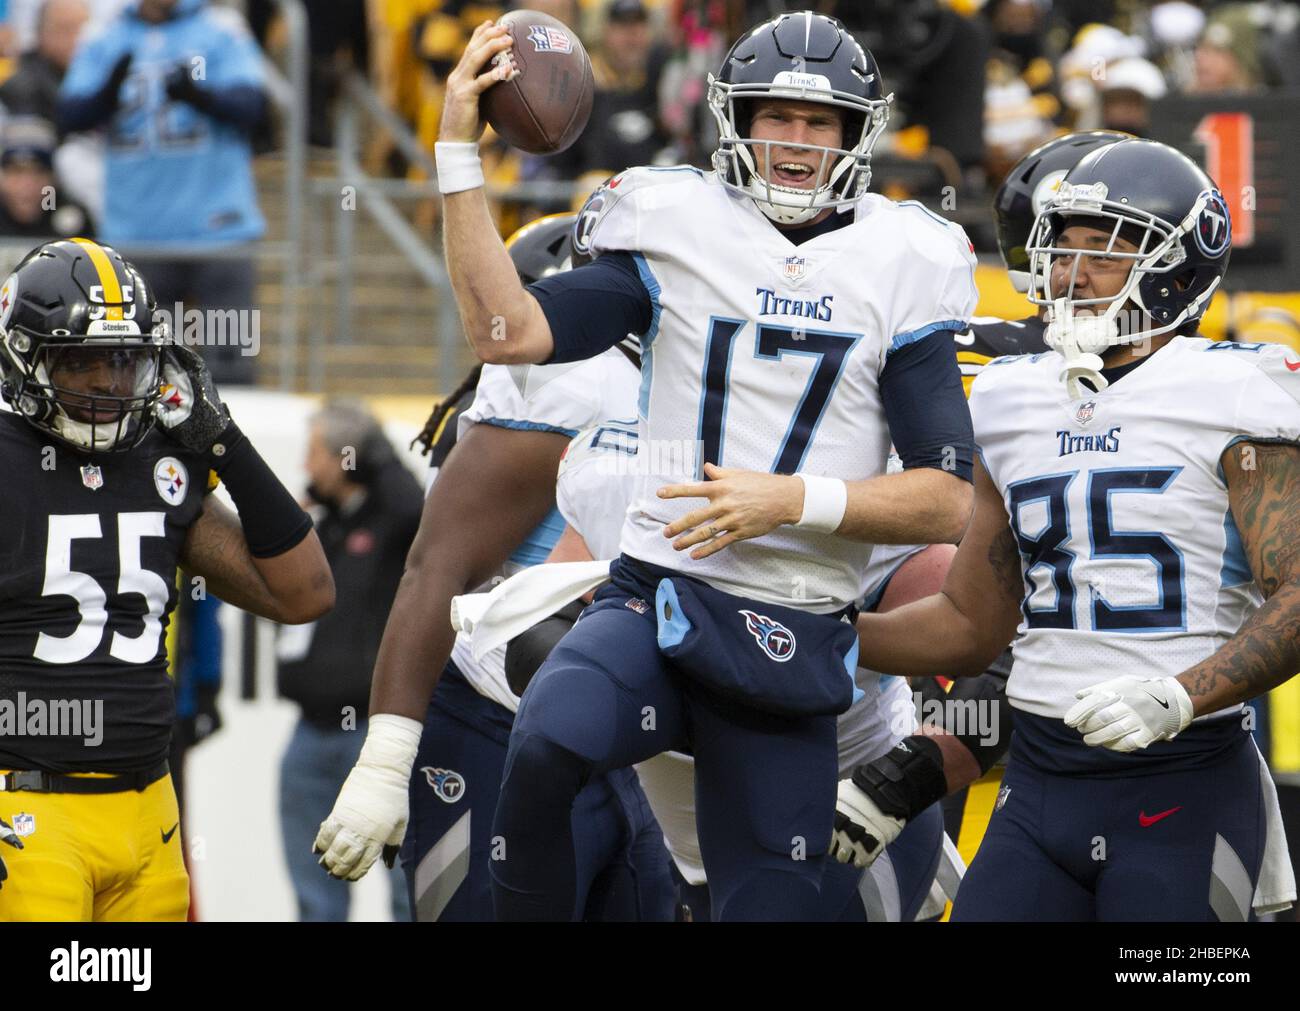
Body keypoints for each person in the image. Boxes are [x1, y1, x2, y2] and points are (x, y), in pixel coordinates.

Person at [424, 10, 978, 921]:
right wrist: (456, 155)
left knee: (767, 904)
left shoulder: (904, 257)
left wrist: (792, 500)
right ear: (736, 120)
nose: (795, 141)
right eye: (776, 117)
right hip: (659, 591)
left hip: (794, 631)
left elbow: (949, 497)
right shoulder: (674, 222)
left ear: (855, 132)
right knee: (551, 735)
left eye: (819, 122)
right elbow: (505, 330)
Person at [835, 137, 1298, 921]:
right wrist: (826, 632)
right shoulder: (1013, 397)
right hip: (1039, 785)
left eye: (1107, 250)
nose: (1072, 273)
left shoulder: (1238, 389)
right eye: (1063, 248)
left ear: (1178, 267)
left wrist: (1180, 696)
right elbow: (969, 624)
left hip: (1182, 777)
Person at [316, 215, 674, 923]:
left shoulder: (677, 382)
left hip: (614, 732)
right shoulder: (565, 376)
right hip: (498, 720)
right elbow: (436, 568)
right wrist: (386, 757)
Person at [0, 238, 332, 921]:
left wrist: (226, 442)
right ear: (22, 358)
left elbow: (304, 593)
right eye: (80, 359)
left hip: (151, 813)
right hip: (27, 806)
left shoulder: (162, 461)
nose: (103, 382)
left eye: (122, 359)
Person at [57, 0, 268, 384]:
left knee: (233, 364)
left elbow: (254, 109)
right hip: (137, 228)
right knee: (143, 374)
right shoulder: (104, 34)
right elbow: (69, 116)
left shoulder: (221, 27)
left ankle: (227, 446)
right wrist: (107, 93)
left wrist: (199, 95)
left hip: (217, 226)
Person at [277, 400, 421, 922]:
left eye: (315, 453)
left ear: (348, 457)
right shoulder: (326, 524)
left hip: (373, 737)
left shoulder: (393, 524)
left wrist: (373, 451)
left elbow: (412, 506)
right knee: (314, 893)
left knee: (406, 890)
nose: (304, 465)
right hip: (308, 736)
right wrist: (316, 494)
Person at [0, 115, 92, 237]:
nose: (27, 184)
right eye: (17, 172)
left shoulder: (73, 219)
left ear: (53, 177)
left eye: (38, 173)